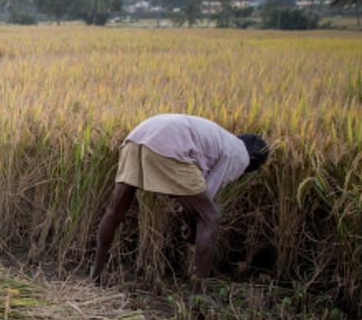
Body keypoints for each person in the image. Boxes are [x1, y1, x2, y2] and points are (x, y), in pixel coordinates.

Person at [89, 113, 269, 293]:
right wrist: (193, 226)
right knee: (212, 217)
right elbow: (206, 196)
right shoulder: (240, 155)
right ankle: (198, 297)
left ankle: (94, 277)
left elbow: (191, 196)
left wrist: (189, 221)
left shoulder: (223, 139)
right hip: (168, 146)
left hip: (136, 138)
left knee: (116, 211)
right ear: (253, 161)